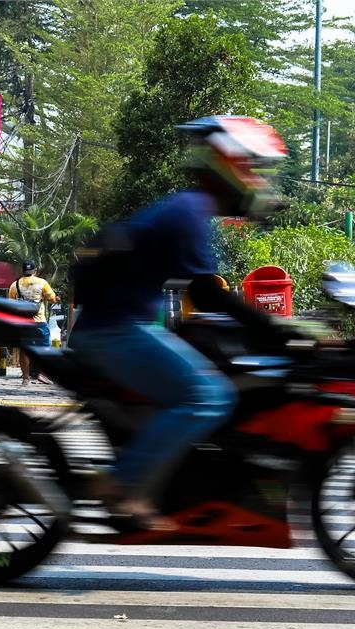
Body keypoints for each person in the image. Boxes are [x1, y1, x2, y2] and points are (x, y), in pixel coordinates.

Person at [70, 115, 289, 531]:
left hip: (121, 326)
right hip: (115, 331)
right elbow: (207, 292)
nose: (259, 181)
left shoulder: (189, 209)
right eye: (254, 169)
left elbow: (203, 293)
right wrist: (276, 329)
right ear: (232, 164)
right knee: (208, 396)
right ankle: (123, 486)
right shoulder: (189, 210)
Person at [8, 260, 59, 386]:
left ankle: (26, 378)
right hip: (39, 322)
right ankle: (42, 375)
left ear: (23, 271)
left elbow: (10, 304)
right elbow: (52, 299)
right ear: (34, 271)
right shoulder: (42, 283)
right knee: (45, 349)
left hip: (23, 323)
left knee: (24, 350)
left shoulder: (15, 285)